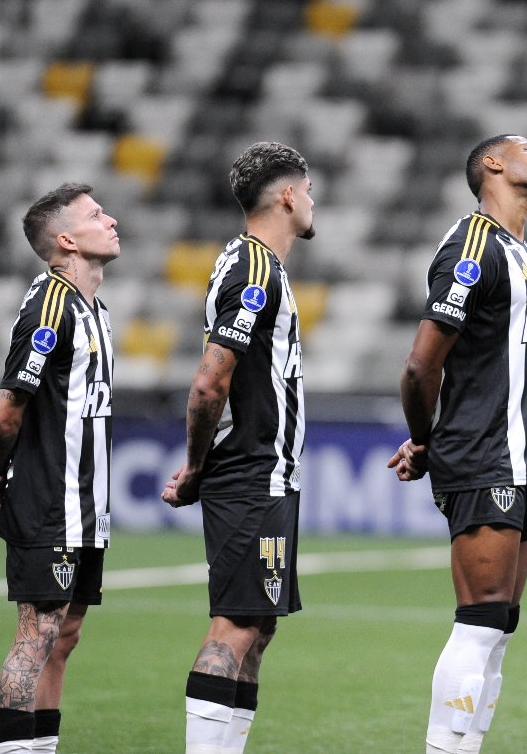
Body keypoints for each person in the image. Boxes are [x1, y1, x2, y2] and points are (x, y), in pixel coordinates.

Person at [388, 134, 527, 754]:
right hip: (486, 455)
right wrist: (424, 440)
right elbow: (418, 366)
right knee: (481, 621)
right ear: (493, 164)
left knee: (501, 625)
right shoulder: (472, 247)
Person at [161, 141, 314, 754]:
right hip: (249, 473)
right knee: (236, 625)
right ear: (286, 195)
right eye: (307, 189)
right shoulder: (252, 269)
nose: (311, 200)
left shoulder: (259, 267)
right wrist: (198, 464)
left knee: (260, 624)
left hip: (266, 473)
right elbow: (210, 378)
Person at [0, 183, 119, 754]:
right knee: (37, 634)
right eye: (95, 215)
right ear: (66, 240)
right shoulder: (50, 305)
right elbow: (5, 411)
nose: (110, 219)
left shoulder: (95, 309)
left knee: (65, 635)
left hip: (86, 509)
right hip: (49, 503)